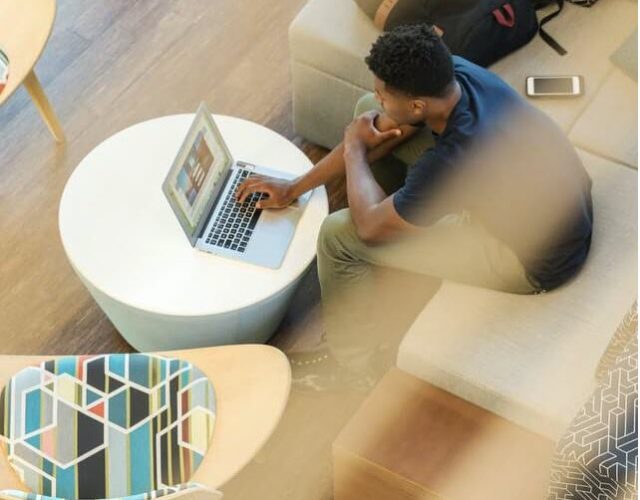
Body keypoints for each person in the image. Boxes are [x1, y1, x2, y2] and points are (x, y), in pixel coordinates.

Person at [235, 24, 593, 390]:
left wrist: (355, 150)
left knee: (337, 236)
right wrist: (294, 187)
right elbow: (386, 122)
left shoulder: (455, 156)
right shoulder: (455, 74)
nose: (378, 98)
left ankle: (351, 368)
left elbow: (368, 228)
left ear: (419, 105)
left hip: (532, 259)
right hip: (558, 203)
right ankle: (399, 217)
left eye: (383, 93)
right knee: (366, 114)